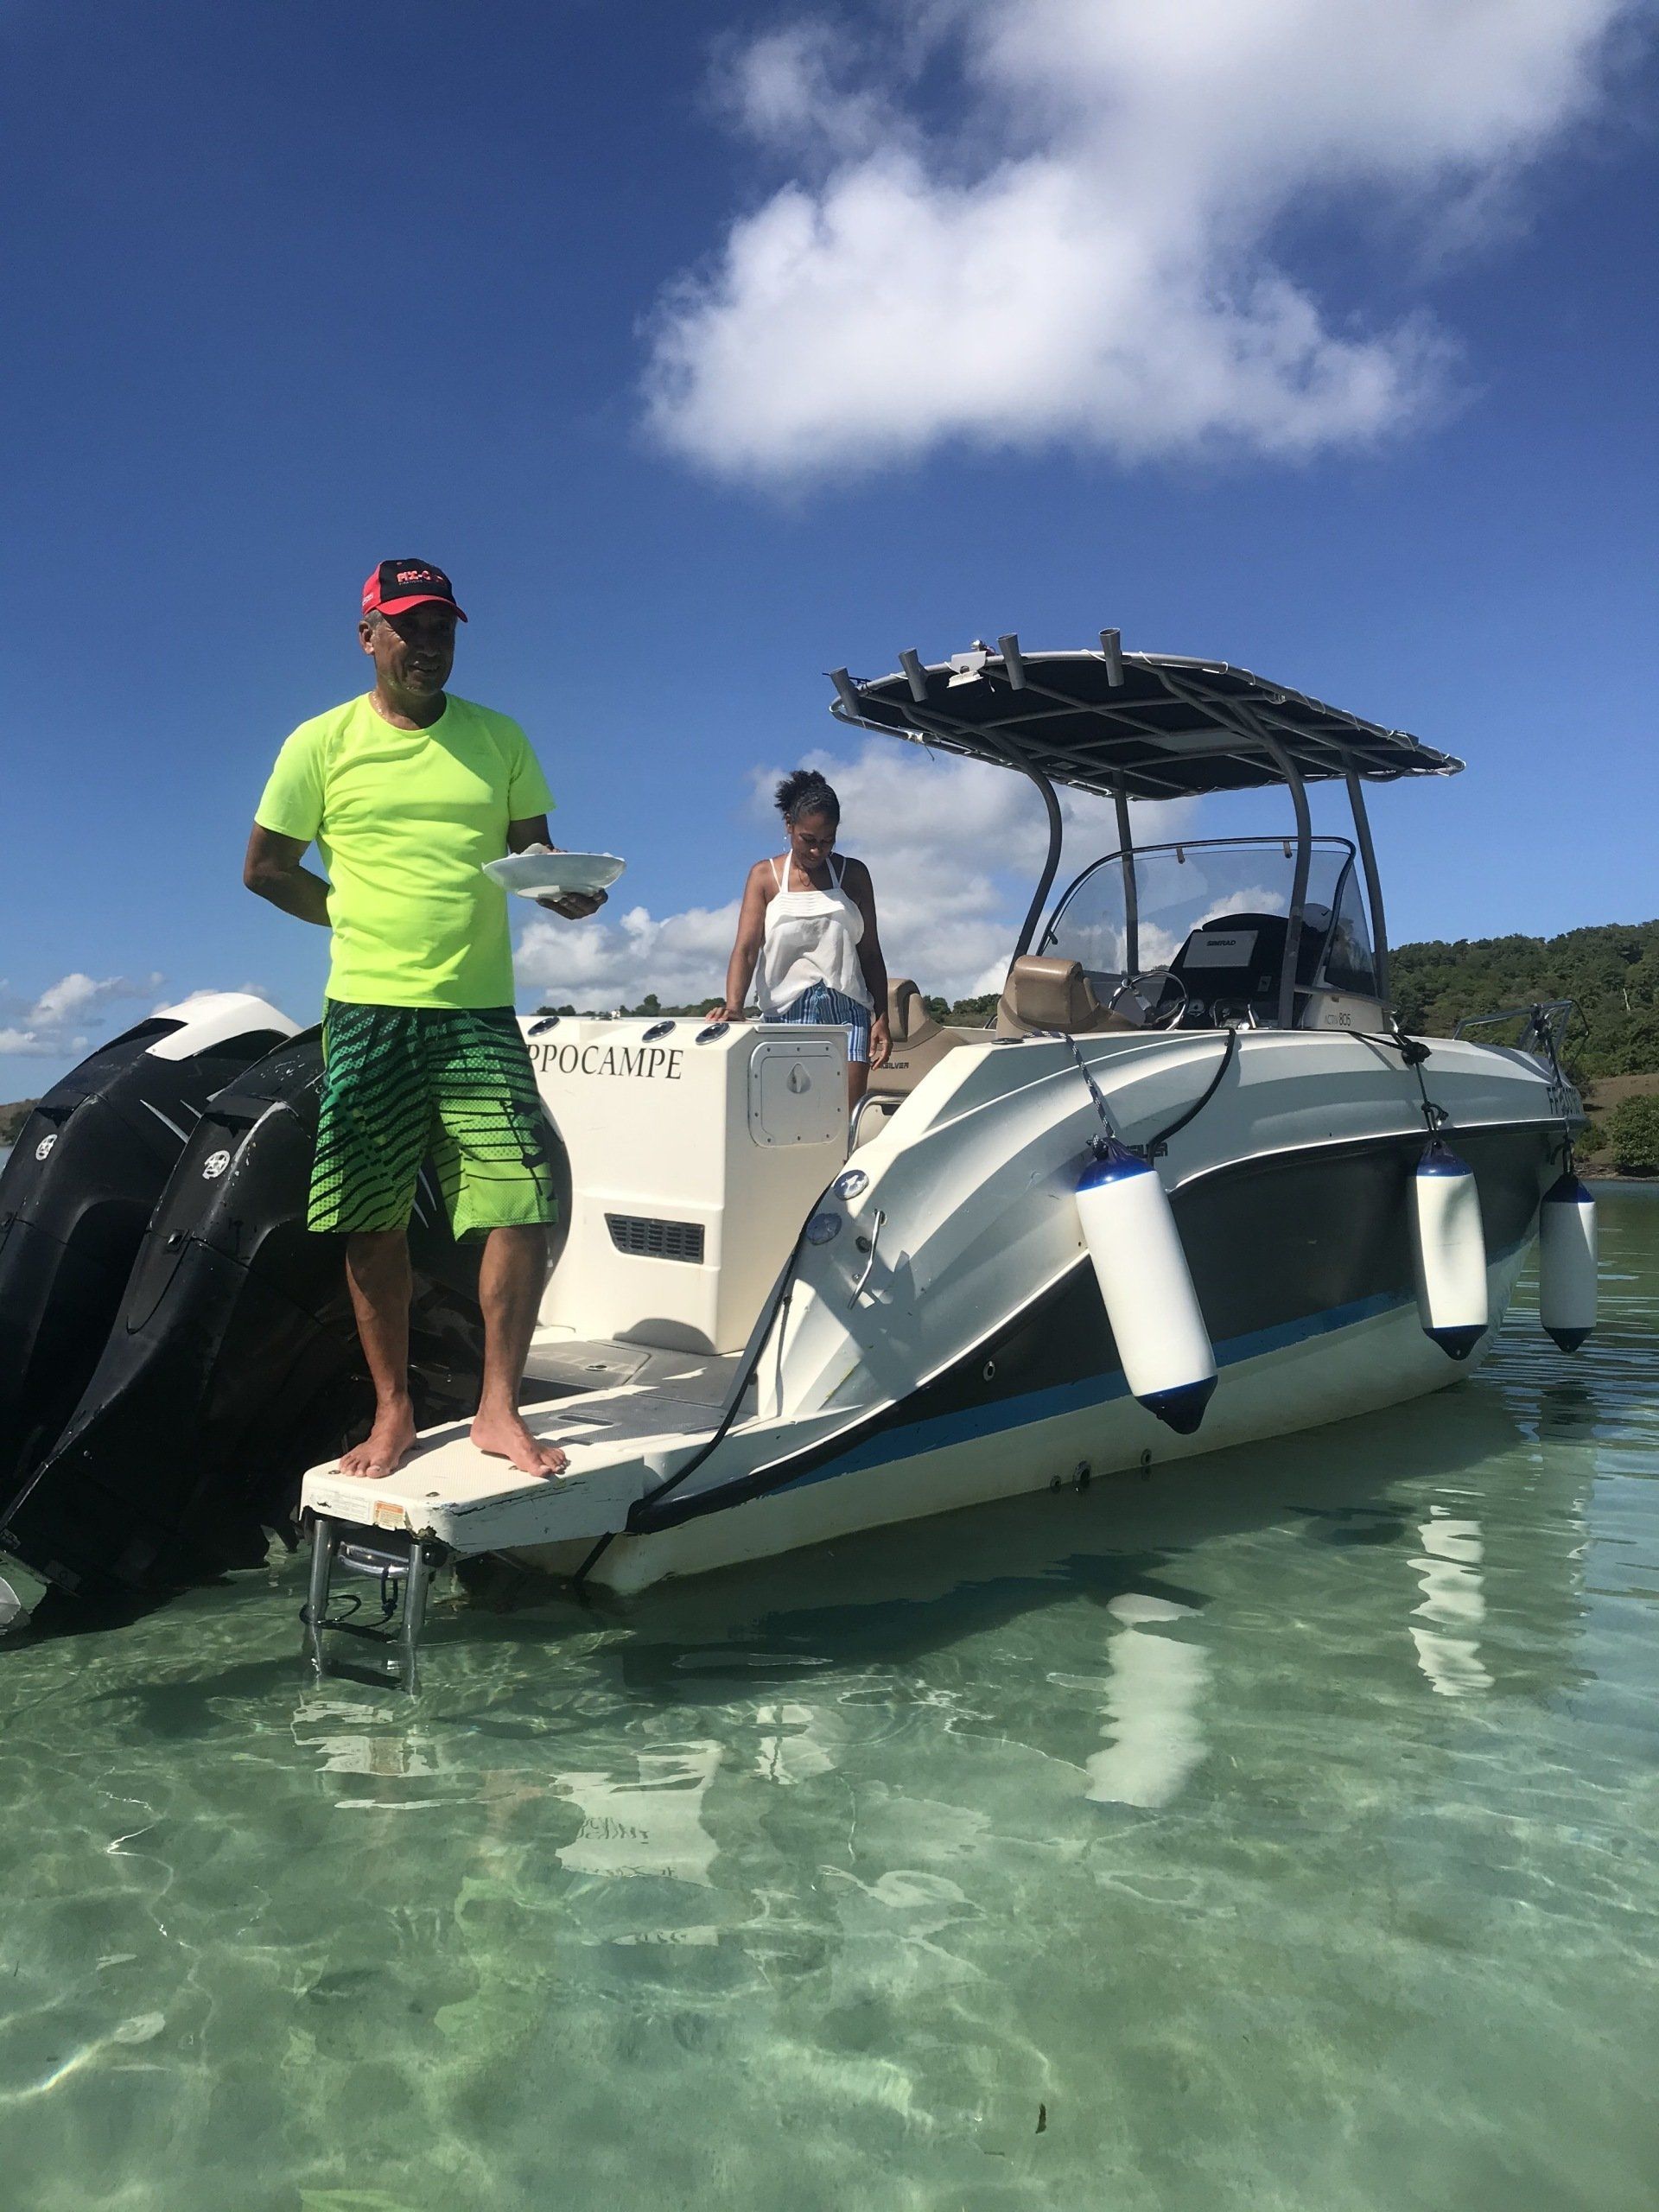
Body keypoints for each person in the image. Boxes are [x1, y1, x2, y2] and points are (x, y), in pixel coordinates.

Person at [244, 558, 603, 1481]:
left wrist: (562, 889)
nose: (430, 643)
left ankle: (496, 1409)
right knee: (372, 1219)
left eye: (443, 625)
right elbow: (266, 867)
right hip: (367, 1011)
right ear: (369, 636)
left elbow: (533, 851)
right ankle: (394, 1412)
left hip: (478, 1012)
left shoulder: (501, 738)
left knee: (521, 1200)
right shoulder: (317, 745)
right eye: (409, 626)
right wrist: (347, 913)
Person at [715, 769, 889, 1109]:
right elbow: (747, 949)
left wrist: (881, 1018)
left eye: (827, 841)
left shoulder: (853, 875)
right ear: (789, 826)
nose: (817, 850)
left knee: (843, 1124)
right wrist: (734, 1007)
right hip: (785, 1013)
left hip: (848, 1012)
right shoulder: (764, 876)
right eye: (808, 839)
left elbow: (870, 952)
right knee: (789, 1121)